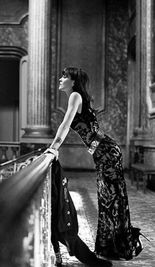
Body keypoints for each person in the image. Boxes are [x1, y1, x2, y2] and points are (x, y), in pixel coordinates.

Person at [46, 67, 144, 265]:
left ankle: (115, 245)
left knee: (111, 199)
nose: (60, 78)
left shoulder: (75, 96)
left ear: (73, 82)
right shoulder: (76, 97)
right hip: (103, 153)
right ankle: (110, 246)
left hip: (107, 152)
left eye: (64, 76)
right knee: (108, 200)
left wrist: (53, 147)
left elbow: (65, 124)